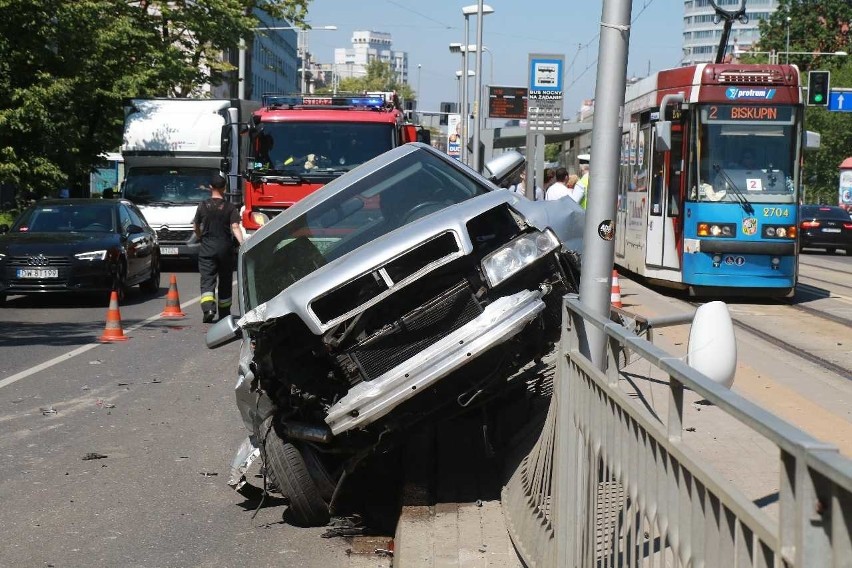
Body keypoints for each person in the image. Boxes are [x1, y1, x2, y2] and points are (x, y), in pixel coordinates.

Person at [193, 174, 244, 323]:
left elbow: (195, 226)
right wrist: (242, 244)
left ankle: (208, 309)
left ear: (210, 187)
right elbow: (235, 227)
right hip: (225, 249)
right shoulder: (230, 207)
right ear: (225, 188)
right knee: (226, 281)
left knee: (207, 280)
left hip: (207, 248)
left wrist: (200, 236)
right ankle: (224, 313)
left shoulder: (203, 205)